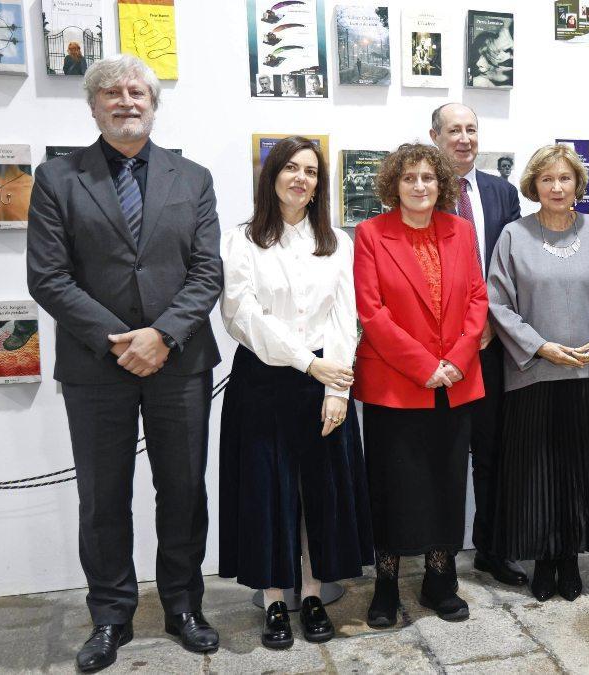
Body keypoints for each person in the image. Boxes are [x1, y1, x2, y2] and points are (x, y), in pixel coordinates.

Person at [26, 54, 222, 673]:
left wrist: (161, 335)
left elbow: (207, 271)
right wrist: (120, 340)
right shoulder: (57, 178)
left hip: (179, 361)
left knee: (183, 492)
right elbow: (48, 277)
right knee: (102, 497)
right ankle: (110, 616)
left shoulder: (193, 177)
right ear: (93, 106)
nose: (126, 101)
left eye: (138, 92)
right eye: (112, 92)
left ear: (154, 104)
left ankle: (184, 607)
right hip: (95, 367)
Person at [217, 137, 374, 650]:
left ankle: (310, 594)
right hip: (263, 381)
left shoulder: (336, 241)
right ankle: (273, 600)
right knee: (267, 493)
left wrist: (337, 388)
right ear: (272, 176)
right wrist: (309, 363)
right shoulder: (243, 239)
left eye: (310, 171)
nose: (300, 178)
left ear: (318, 184)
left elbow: (345, 317)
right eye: (290, 167)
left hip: (325, 380)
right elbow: (242, 314)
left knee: (317, 494)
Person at [486, 145, 589, 602]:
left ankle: (569, 557)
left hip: (587, 373)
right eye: (547, 179)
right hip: (533, 374)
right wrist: (540, 347)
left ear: (577, 184)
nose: (556, 187)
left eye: (565, 178)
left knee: (580, 468)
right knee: (536, 471)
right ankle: (543, 558)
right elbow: (498, 303)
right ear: (534, 185)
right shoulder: (513, 235)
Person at [352, 143, 488, 626]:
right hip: (395, 385)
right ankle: (386, 585)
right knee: (392, 488)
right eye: (409, 177)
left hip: (455, 381)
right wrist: (423, 366)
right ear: (394, 184)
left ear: (442, 183)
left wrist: (455, 360)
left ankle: (439, 580)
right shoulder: (370, 234)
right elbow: (371, 312)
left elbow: (477, 298)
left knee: (446, 484)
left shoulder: (461, 230)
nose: (419, 185)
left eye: (428, 177)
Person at [429, 103, 525, 588]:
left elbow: (513, 265)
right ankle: (439, 560)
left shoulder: (501, 191)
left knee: (493, 453)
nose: (464, 139)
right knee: (442, 457)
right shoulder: (421, 190)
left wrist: (491, 319)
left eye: (471, 129)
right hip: (438, 352)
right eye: (454, 130)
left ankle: (492, 549)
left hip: (491, 344)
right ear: (434, 136)